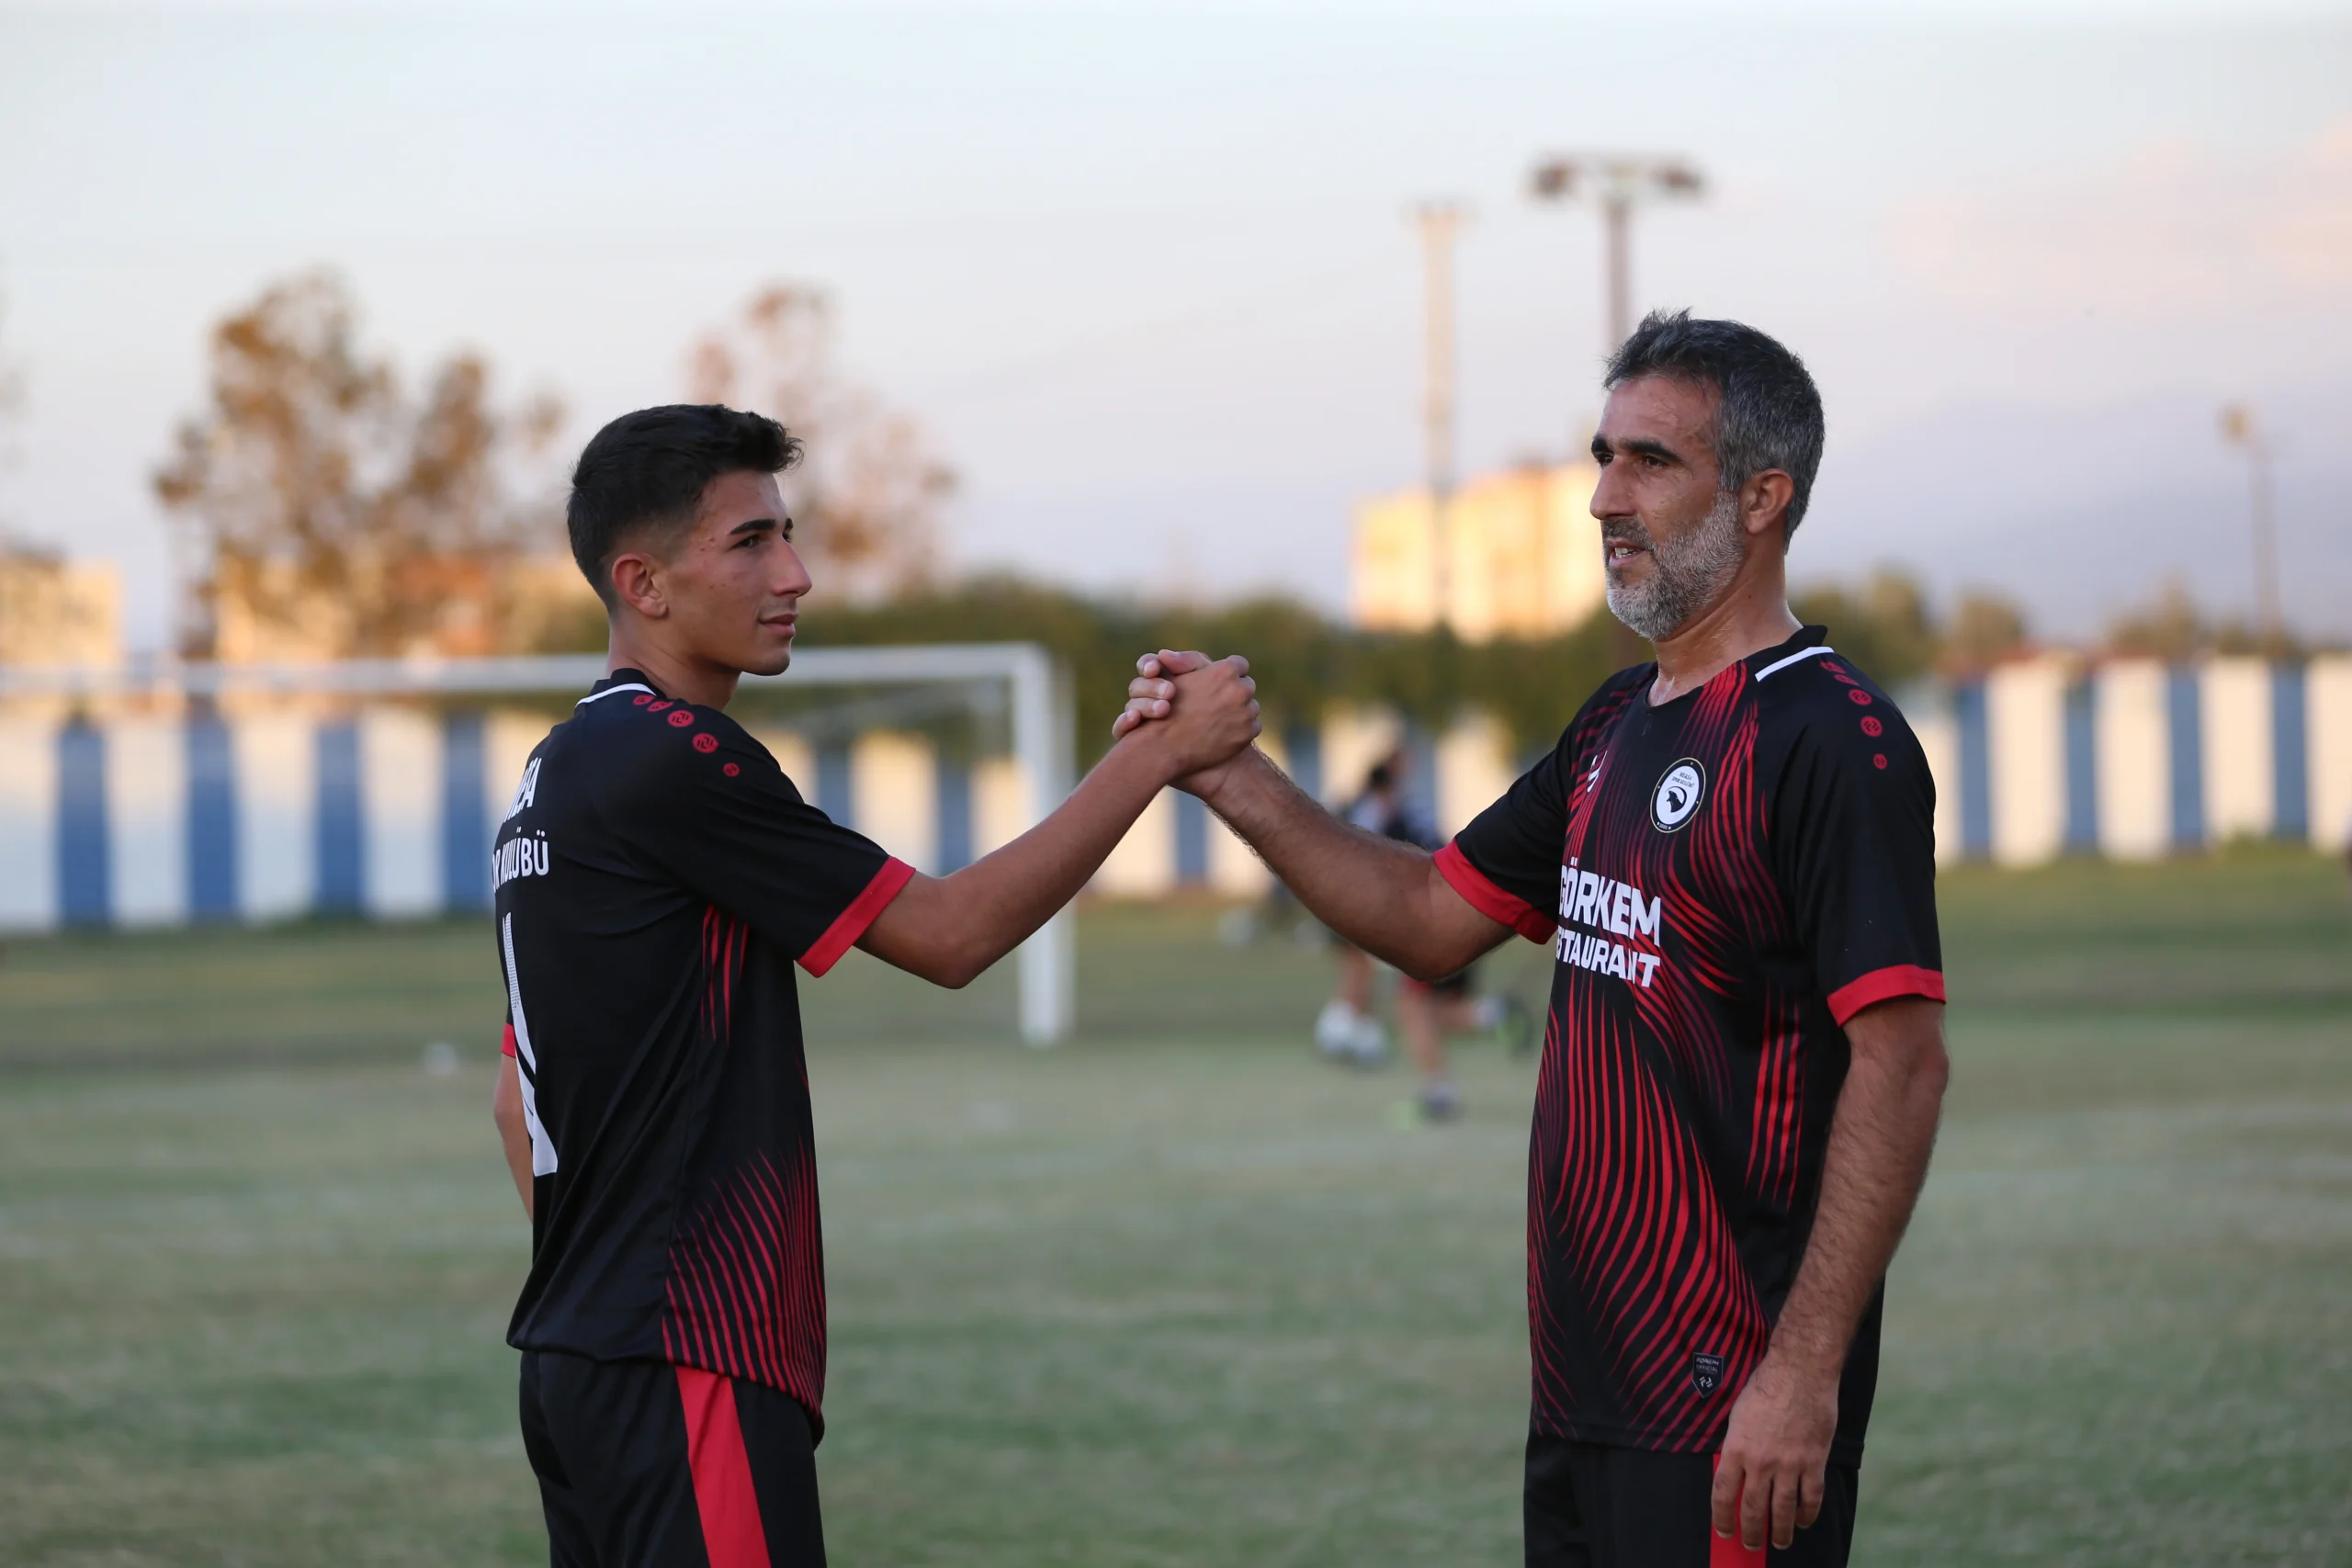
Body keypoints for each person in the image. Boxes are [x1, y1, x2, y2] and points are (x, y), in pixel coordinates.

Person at [1119, 311, 1949, 1567]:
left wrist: (1804, 1370)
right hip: (1584, 1387)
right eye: (1603, 455)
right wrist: (1229, 775)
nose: (1606, 496)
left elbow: (1902, 1065)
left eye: (1652, 461)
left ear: (1765, 496)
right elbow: (1427, 913)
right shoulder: (1616, 719)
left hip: (1733, 1403)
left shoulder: (1834, 739)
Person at [487, 403, 1259, 1568]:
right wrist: (1156, 753)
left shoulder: (556, 774)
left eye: (788, 535)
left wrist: (610, 1284)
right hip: (686, 1357)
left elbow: (513, 1102)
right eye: (750, 542)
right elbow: (948, 936)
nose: (795, 573)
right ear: (642, 582)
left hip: (580, 1362)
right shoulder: (674, 756)